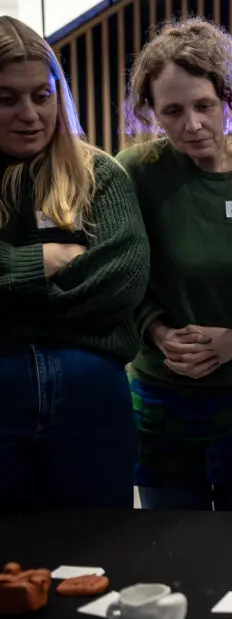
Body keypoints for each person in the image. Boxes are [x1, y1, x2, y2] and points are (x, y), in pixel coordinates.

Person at [118, 17, 232, 512]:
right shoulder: (136, 173)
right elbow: (122, 278)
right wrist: (158, 333)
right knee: (169, 547)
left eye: (204, 105)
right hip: (162, 395)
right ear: (151, 111)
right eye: (172, 111)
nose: (192, 124)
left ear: (231, 98)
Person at [0, 16, 149, 509]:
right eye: (6, 99)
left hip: (91, 400)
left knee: (99, 542)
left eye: (41, 96)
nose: (29, 114)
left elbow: (121, 281)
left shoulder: (98, 174)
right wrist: (40, 263)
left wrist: (10, 291)